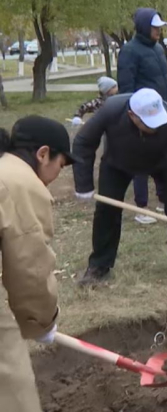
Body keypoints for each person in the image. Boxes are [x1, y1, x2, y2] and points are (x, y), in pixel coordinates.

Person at [0, 116, 76, 412]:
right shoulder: (19, 183)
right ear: (43, 154)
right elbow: (28, 267)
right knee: (12, 386)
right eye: (61, 164)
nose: (59, 173)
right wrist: (41, 320)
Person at [73, 89, 167, 284]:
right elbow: (84, 141)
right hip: (118, 163)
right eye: (149, 124)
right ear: (132, 115)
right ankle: (99, 266)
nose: (155, 128)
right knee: (107, 211)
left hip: (162, 162)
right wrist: (84, 185)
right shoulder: (112, 110)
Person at [117, 7, 167, 224]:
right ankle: (142, 208)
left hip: (162, 110)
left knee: (161, 157)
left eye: (159, 26)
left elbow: (163, 76)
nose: (158, 30)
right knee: (142, 160)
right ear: (143, 26)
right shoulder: (130, 51)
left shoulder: (158, 48)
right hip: (142, 114)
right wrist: (132, 115)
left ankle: (163, 199)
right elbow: (126, 86)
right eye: (154, 26)